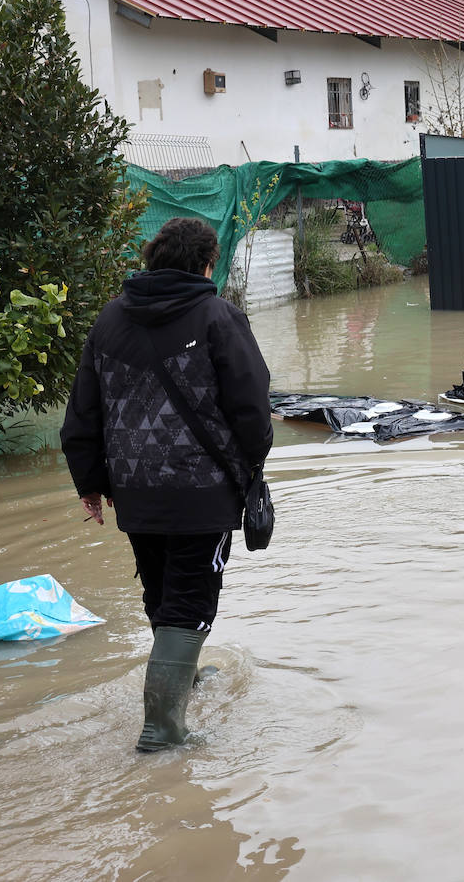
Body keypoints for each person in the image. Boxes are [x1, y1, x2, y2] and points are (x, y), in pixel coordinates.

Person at [60, 217, 272, 752]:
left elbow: (82, 413)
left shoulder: (110, 319)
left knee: (161, 592)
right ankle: (163, 731)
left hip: (132, 492)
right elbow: (250, 406)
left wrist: (89, 482)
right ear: (207, 264)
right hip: (202, 495)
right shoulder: (219, 317)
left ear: (153, 260)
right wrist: (254, 468)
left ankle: (184, 677)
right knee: (190, 601)